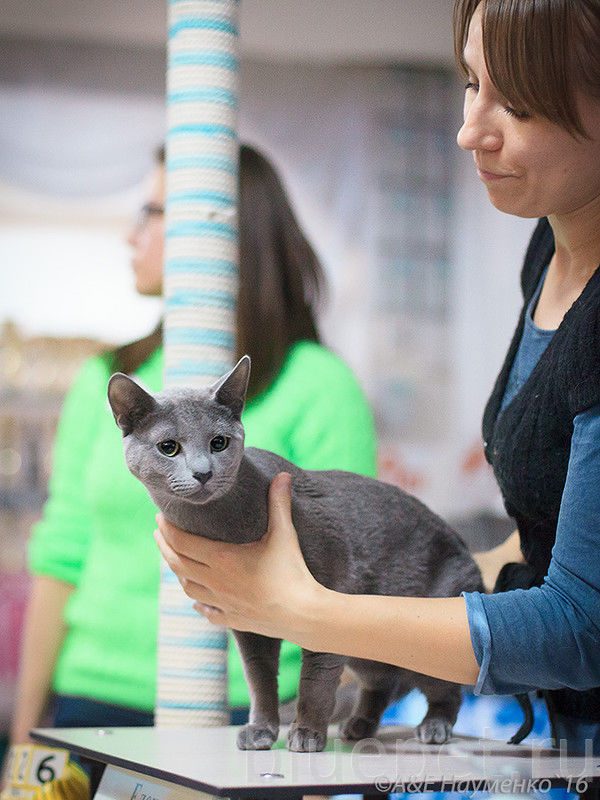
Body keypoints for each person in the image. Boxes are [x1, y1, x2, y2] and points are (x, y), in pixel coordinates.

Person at [155, 0, 600, 765]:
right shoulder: (547, 255)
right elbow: (555, 544)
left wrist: (305, 610)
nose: (470, 131)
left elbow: (584, 625)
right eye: (470, 83)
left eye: (519, 104)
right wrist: (462, 568)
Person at [10, 145, 377, 766]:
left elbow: (352, 580)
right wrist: (22, 748)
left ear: (216, 229)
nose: (132, 234)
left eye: (153, 213)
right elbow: (61, 556)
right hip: (91, 704)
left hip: (257, 708)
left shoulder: (319, 387)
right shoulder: (110, 379)